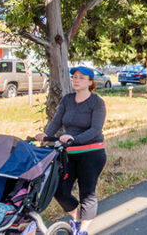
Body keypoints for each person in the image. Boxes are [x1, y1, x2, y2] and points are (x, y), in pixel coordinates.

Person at [35, 66, 107, 235]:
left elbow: (96, 129)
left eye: (81, 78)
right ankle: (77, 219)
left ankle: (82, 230)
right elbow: (56, 121)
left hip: (91, 153)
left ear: (90, 82)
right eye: (74, 77)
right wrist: (46, 135)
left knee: (86, 193)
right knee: (59, 191)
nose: (76, 80)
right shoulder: (67, 99)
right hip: (68, 153)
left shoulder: (96, 102)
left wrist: (75, 139)